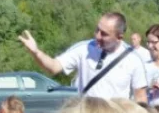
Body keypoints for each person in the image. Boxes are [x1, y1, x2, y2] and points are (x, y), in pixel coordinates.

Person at [19, 13, 147, 103]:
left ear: (119, 37)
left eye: (104, 34)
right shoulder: (83, 48)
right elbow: (54, 67)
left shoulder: (133, 60)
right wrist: (36, 52)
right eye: (97, 29)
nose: (97, 36)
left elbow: (140, 99)